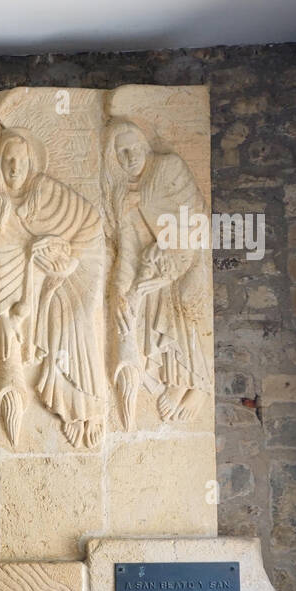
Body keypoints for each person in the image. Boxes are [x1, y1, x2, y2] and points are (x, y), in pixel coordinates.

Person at [0, 127, 108, 448]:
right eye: (7, 161)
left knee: (77, 323)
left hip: (79, 267)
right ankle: (72, 408)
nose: (14, 168)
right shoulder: (0, 207)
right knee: (56, 326)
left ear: (31, 164)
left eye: (20, 161)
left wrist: (71, 259)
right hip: (45, 279)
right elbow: (7, 258)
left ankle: (93, 408)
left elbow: (91, 220)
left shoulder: (44, 191)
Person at [102, 120, 208, 424]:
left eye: (133, 148)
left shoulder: (168, 167)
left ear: (146, 146)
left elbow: (194, 214)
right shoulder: (123, 195)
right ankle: (172, 380)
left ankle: (195, 384)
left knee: (174, 303)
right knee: (139, 299)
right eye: (121, 152)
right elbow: (128, 249)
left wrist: (144, 201)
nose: (129, 156)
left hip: (186, 253)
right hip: (153, 267)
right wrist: (121, 292)